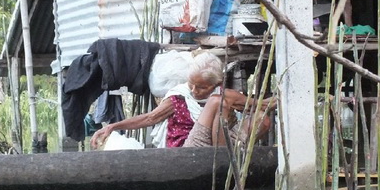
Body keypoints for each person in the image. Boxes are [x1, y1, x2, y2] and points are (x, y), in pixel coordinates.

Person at [90, 52, 275, 149]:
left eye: (202, 88)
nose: (194, 91)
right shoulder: (179, 96)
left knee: (263, 120)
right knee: (216, 102)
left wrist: (281, 98)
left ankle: (230, 155)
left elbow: (262, 106)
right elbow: (149, 118)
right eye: (191, 84)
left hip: (223, 140)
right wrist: (113, 126)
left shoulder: (224, 93)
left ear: (216, 84)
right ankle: (222, 160)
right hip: (191, 146)